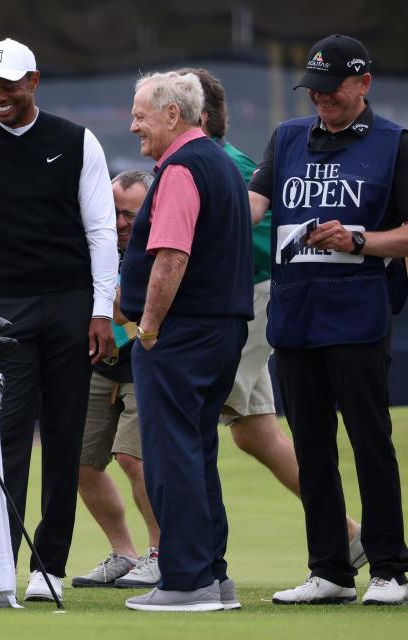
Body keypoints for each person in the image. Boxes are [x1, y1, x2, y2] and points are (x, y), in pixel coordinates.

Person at [0, 37, 118, 602]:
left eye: (9, 85)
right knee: (6, 436)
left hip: (70, 302)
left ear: (33, 82)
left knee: (65, 437)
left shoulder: (75, 140)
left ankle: (50, 566)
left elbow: (100, 230)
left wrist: (99, 309)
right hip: (7, 305)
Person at [178, 67, 365, 568]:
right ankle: (349, 535)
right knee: (253, 431)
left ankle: (173, 555)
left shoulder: (213, 164)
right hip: (255, 296)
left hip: (250, 297)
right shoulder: (220, 159)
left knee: (181, 414)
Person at [248, 34, 408, 606]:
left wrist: (358, 238)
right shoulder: (288, 135)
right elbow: (256, 204)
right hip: (295, 315)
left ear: (363, 83)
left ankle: (391, 570)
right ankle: (331, 572)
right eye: (313, 90)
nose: (321, 100)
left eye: (332, 89)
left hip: (358, 313)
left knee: (370, 444)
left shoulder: (395, 143)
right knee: (311, 447)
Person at [120, 71, 254, 611]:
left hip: (182, 332)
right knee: (195, 450)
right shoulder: (218, 162)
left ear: (172, 115)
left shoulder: (181, 168)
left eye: (140, 115)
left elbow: (171, 256)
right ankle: (211, 577)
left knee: (171, 452)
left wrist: (147, 327)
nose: (133, 126)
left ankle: (186, 580)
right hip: (219, 329)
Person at [72, 171, 161, 590]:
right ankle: (124, 553)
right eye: (114, 213)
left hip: (144, 363)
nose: (121, 223)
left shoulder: (157, 247)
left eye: (130, 214)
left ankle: (161, 554)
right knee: (82, 463)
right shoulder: (94, 241)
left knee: (133, 459)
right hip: (98, 365)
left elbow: (127, 312)